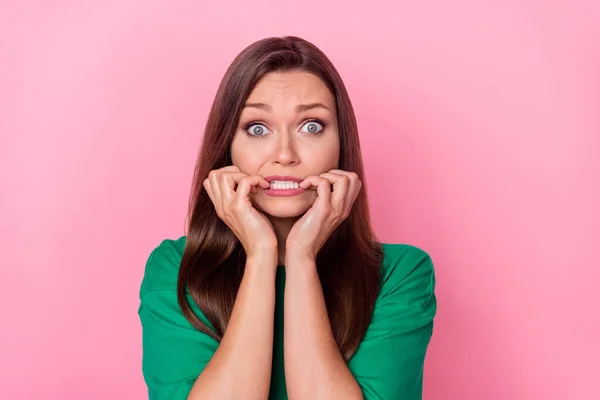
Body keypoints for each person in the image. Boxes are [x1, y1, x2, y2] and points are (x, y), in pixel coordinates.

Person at [138, 36, 437, 400]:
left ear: (342, 145)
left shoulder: (400, 273)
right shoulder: (176, 268)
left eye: (311, 126)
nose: (284, 154)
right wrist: (261, 253)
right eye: (257, 128)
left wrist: (301, 256)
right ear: (227, 146)